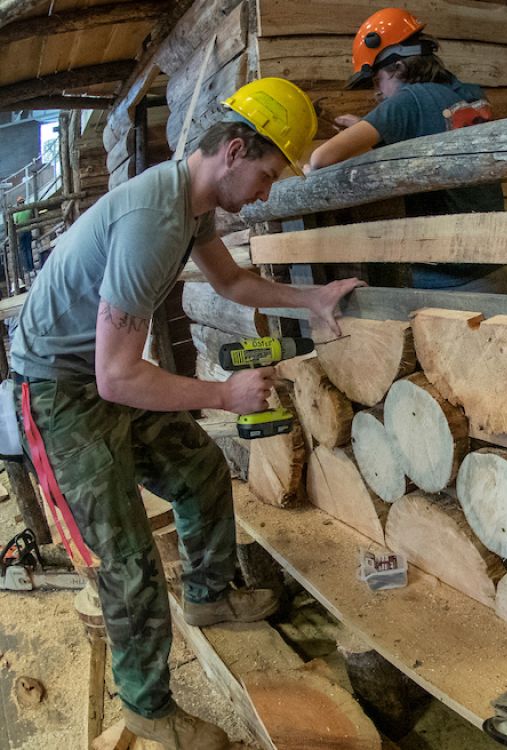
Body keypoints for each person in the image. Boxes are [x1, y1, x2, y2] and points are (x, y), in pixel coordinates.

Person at [10, 78, 364, 750]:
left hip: (98, 374)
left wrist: (311, 298)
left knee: (198, 468)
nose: (265, 192)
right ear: (233, 150)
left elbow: (230, 283)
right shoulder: (155, 221)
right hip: (56, 391)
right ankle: (148, 706)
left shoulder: (190, 201)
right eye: (265, 174)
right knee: (126, 558)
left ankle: (206, 594)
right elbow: (118, 378)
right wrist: (223, 395)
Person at [308, 7, 507, 294]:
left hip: (452, 276)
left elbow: (320, 159)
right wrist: (367, 127)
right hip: (498, 261)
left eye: (377, 80)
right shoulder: (471, 95)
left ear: (398, 67)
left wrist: (362, 132)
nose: (378, 92)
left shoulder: (409, 100)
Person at [12, 195, 34, 282]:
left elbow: (15, 222)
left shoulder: (16, 212)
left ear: (17, 204)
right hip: (28, 231)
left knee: (23, 250)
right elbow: (31, 216)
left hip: (21, 232)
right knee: (29, 249)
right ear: (23, 202)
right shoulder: (28, 210)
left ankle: (26, 267)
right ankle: (31, 266)